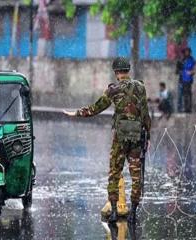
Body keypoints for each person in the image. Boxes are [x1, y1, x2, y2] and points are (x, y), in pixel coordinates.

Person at [63, 57, 151, 224]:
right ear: (128, 70)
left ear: (116, 72)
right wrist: (148, 135)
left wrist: (76, 113)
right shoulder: (141, 87)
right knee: (136, 175)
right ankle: (133, 212)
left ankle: (113, 210)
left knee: (114, 173)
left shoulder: (113, 90)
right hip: (137, 137)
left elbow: (95, 108)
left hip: (120, 137)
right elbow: (145, 113)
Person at [181, 48, 196, 113]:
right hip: (183, 79)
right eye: (185, 52)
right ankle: (185, 108)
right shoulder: (183, 60)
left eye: (187, 52)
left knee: (188, 94)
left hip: (188, 79)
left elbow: (195, 69)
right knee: (184, 94)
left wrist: (191, 72)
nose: (186, 53)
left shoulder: (192, 60)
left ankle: (189, 108)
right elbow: (180, 68)